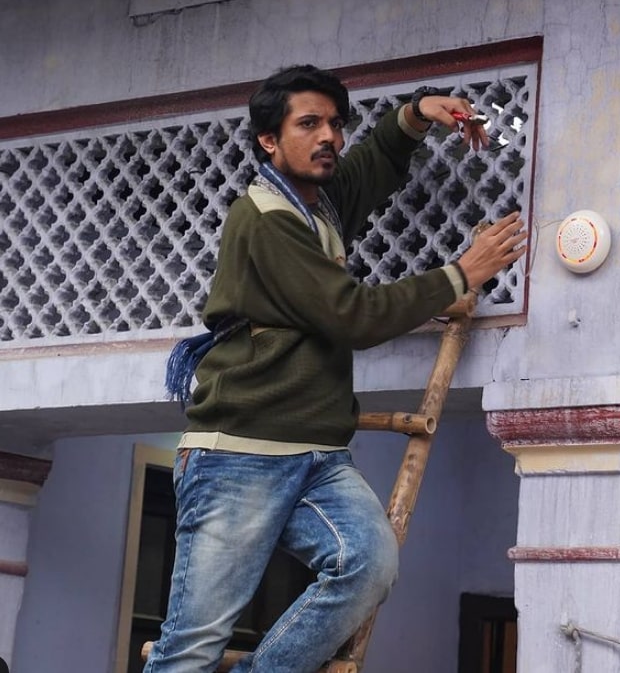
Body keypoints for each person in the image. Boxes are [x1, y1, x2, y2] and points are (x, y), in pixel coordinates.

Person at [146, 65, 527, 673]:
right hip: (240, 453)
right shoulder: (265, 218)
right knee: (190, 648)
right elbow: (351, 316)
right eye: (309, 123)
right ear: (269, 140)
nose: (329, 136)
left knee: (370, 566)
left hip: (318, 455)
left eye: (335, 124)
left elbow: (370, 166)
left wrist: (418, 110)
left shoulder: (316, 207)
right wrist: (462, 273)